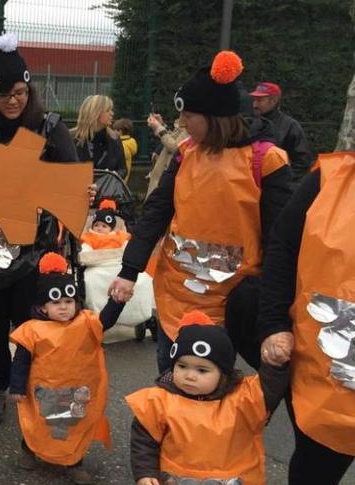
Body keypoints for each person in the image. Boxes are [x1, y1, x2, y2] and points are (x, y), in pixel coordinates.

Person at [107, 51, 292, 373]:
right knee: (169, 378)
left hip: (228, 303)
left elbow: (282, 240)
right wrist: (129, 269)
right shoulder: (185, 154)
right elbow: (156, 212)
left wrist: (277, 312)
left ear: (215, 116)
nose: (181, 124)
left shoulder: (266, 162)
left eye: (189, 116)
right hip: (175, 295)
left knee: (209, 387)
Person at [0, 33, 82, 425]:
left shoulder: (49, 128)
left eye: (20, 92)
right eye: (5, 95)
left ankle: (38, 382)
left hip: (36, 246)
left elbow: (73, 178)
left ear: (29, 90)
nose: (13, 101)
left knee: (35, 318)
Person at [257, 153, 355, 485]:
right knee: (314, 477)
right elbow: (282, 246)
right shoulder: (329, 180)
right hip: (325, 379)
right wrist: (273, 324)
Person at [126, 311, 289, 485]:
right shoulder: (158, 402)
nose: (189, 375)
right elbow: (144, 443)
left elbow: (268, 389)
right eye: (182, 366)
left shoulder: (242, 400)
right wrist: (145, 473)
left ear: (223, 374)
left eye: (202, 370)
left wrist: (275, 366)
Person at [10, 253, 125, 485]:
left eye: (68, 301)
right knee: (42, 423)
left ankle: (74, 461)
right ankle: (29, 448)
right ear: (43, 306)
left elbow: (107, 320)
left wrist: (118, 300)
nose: (63, 307)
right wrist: (17, 386)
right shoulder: (32, 329)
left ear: (77, 302)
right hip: (45, 388)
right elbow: (21, 360)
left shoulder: (85, 322)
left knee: (74, 422)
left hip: (77, 388)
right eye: (56, 302)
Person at [250, 82, 312, 183]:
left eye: (260, 100)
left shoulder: (290, 126)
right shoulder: (249, 123)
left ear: (273, 101)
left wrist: (284, 181)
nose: (255, 105)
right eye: (254, 100)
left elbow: (302, 161)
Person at [71, 95, 127, 176]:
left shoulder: (114, 139)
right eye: (108, 110)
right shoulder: (71, 138)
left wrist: (114, 176)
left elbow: (123, 169)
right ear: (95, 112)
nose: (112, 113)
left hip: (105, 188)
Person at [144, 113, 187, 198]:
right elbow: (175, 138)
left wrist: (158, 128)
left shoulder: (189, 124)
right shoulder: (187, 120)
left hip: (167, 179)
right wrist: (161, 125)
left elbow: (175, 147)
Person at [112, 117, 137, 182]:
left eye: (114, 130)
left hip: (118, 178)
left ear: (120, 131)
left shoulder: (121, 145)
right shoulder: (131, 142)